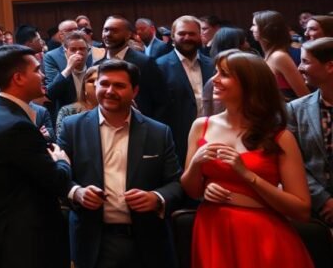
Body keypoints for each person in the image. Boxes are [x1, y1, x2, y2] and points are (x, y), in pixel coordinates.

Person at [181, 50, 313, 268]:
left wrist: (247, 175)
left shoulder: (280, 137)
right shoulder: (201, 126)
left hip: (262, 235)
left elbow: (302, 210)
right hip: (213, 230)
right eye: (216, 72)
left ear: (250, 84)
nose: (214, 79)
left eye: (224, 74)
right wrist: (197, 167)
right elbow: (191, 191)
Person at [58, 60, 183, 268]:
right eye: (104, 84)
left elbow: (176, 183)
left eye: (119, 85)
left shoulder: (158, 132)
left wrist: (157, 197)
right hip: (92, 240)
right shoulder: (72, 127)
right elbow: (58, 177)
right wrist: (76, 192)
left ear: (135, 91)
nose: (110, 91)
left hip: (146, 240)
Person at [0, 45, 71, 268]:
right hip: (30, 241)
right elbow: (57, 181)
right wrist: (62, 161)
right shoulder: (17, 126)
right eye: (36, 70)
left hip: (3, 232)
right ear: (18, 78)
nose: (43, 75)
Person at [157, 15, 216, 164]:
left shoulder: (213, 65)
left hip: (213, 136)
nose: (187, 38)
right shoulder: (159, 67)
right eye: (182, 33)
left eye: (192, 34)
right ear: (173, 36)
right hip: (177, 141)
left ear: (200, 35)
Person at [287, 37, 333, 224]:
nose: (299, 68)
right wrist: (323, 200)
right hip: (315, 210)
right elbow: (292, 163)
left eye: (305, 61)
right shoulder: (295, 109)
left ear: (330, 66)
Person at [98, 16, 167, 120]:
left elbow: (161, 101)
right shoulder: (97, 65)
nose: (108, 34)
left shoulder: (144, 63)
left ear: (128, 35)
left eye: (114, 31)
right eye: (106, 30)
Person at [252, 10, 309, 99]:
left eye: (254, 25)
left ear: (267, 29)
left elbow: (305, 96)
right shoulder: (271, 54)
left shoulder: (279, 57)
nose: (251, 29)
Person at [46, 32, 94, 117]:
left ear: (88, 51)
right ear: (65, 52)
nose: (78, 52)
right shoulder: (63, 73)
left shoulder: (94, 70)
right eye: (73, 49)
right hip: (67, 117)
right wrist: (69, 69)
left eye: (82, 49)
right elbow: (50, 95)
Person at [54, 66, 98, 139]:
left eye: (100, 81)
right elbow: (61, 139)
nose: (95, 84)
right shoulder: (67, 111)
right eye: (91, 81)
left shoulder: (113, 112)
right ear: (84, 88)